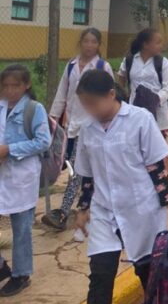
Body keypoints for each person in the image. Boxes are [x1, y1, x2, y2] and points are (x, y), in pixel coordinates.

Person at [56, 70, 168, 304]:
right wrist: (83, 209)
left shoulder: (140, 120)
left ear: (112, 95)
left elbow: (157, 166)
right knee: (100, 277)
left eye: (93, 102)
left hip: (142, 208)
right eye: (84, 104)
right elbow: (86, 175)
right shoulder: (88, 130)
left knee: (147, 269)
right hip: (105, 211)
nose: (89, 109)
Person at [43, 28, 115, 232]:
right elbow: (62, 93)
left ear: (98, 45)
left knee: (77, 170)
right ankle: (90, 206)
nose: (89, 45)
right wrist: (53, 119)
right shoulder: (71, 66)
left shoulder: (103, 66)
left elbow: (111, 95)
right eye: (86, 41)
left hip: (93, 126)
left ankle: (64, 213)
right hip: (72, 126)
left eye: (94, 42)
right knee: (80, 170)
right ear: (81, 42)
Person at [0, 64, 51, 297]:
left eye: (15, 85)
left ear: (26, 85)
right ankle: (1, 266)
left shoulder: (34, 109)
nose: (10, 90)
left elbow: (43, 141)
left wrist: (9, 149)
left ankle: (22, 274)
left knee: (21, 228)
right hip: (2, 173)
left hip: (22, 176)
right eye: (6, 86)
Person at [118, 29, 168, 138]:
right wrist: (125, 94)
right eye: (157, 43)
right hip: (134, 111)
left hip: (158, 115)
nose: (161, 46)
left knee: (158, 152)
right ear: (145, 45)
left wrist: (155, 99)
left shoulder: (163, 63)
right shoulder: (129, 60)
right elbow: (122, 75)